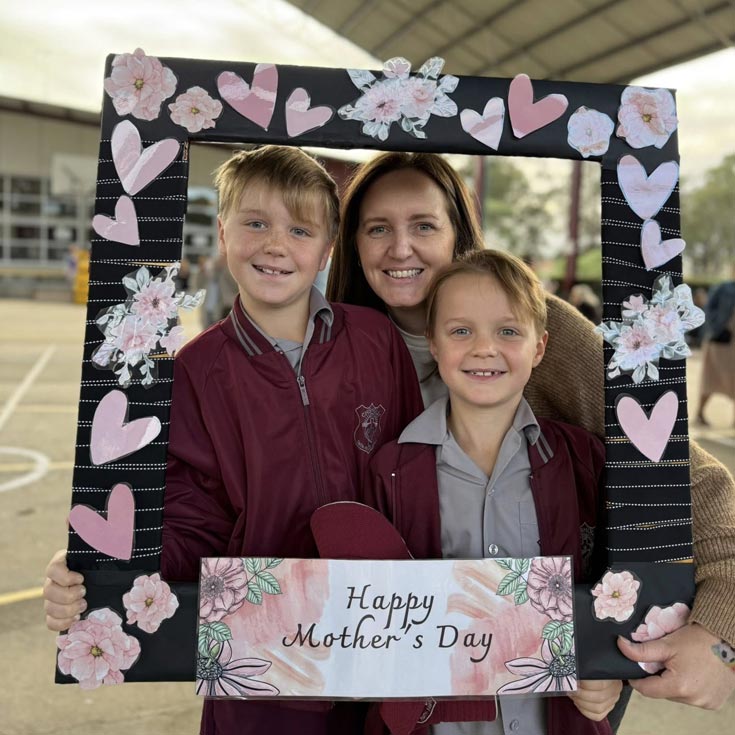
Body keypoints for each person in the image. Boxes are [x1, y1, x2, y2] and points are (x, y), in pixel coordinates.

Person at [327, 152, 735, 718]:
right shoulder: (334, 352)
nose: (401, 248)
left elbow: (692, 481)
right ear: (353, 244)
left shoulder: (541, 331)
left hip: (561, 694)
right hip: (409, 683)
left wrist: (719, 632)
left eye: (424, 224)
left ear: (457, 234)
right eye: (378, 228)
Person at [43, 145, 423, 735]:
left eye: (299, 229)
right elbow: (193, 517)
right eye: (255, 223)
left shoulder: (375, 340)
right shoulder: (194, 370)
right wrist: (102, 567)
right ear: (223, 233)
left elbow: (415, 480)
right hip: (259, 662)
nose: (275, 244)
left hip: (383, 642)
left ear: (326, 248)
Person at [365, 249, 620, 734]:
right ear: (433, 345)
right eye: (461, 331)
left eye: (508, 331)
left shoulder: (584, 461)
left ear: (540, 347)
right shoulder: (390, 472)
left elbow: (621, 579)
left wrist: (611, 669)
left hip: (557, 718)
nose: (484, 348)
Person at [696, 275, 735, 426]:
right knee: (711, 379)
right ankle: (700, 412)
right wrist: (716, 329)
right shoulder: (724, 287)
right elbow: (708, 309)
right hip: (720, 341)